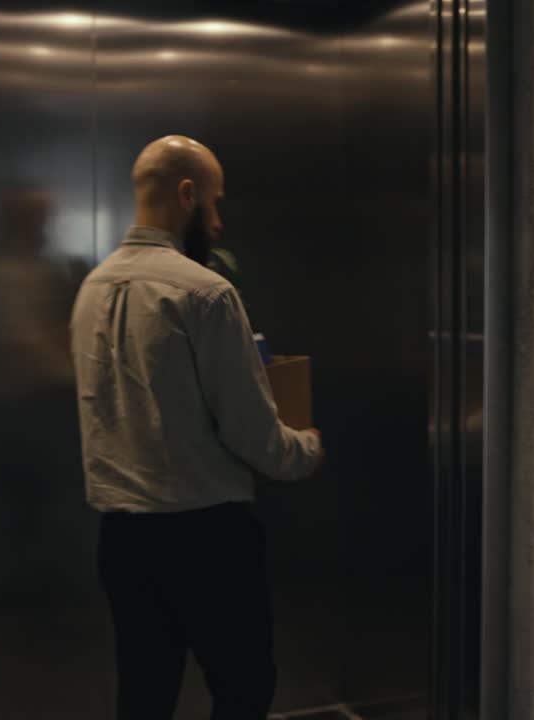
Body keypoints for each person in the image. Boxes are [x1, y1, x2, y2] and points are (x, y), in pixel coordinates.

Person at [69, 135, 324, 719]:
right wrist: (305, 450)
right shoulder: (206, 293)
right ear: (187, 194)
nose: (217, 218)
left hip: (122, 539)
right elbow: (250, 431)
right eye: (213, 201)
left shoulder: (92, 290)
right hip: (205, 536)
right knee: (243, 687)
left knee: (144, 691)